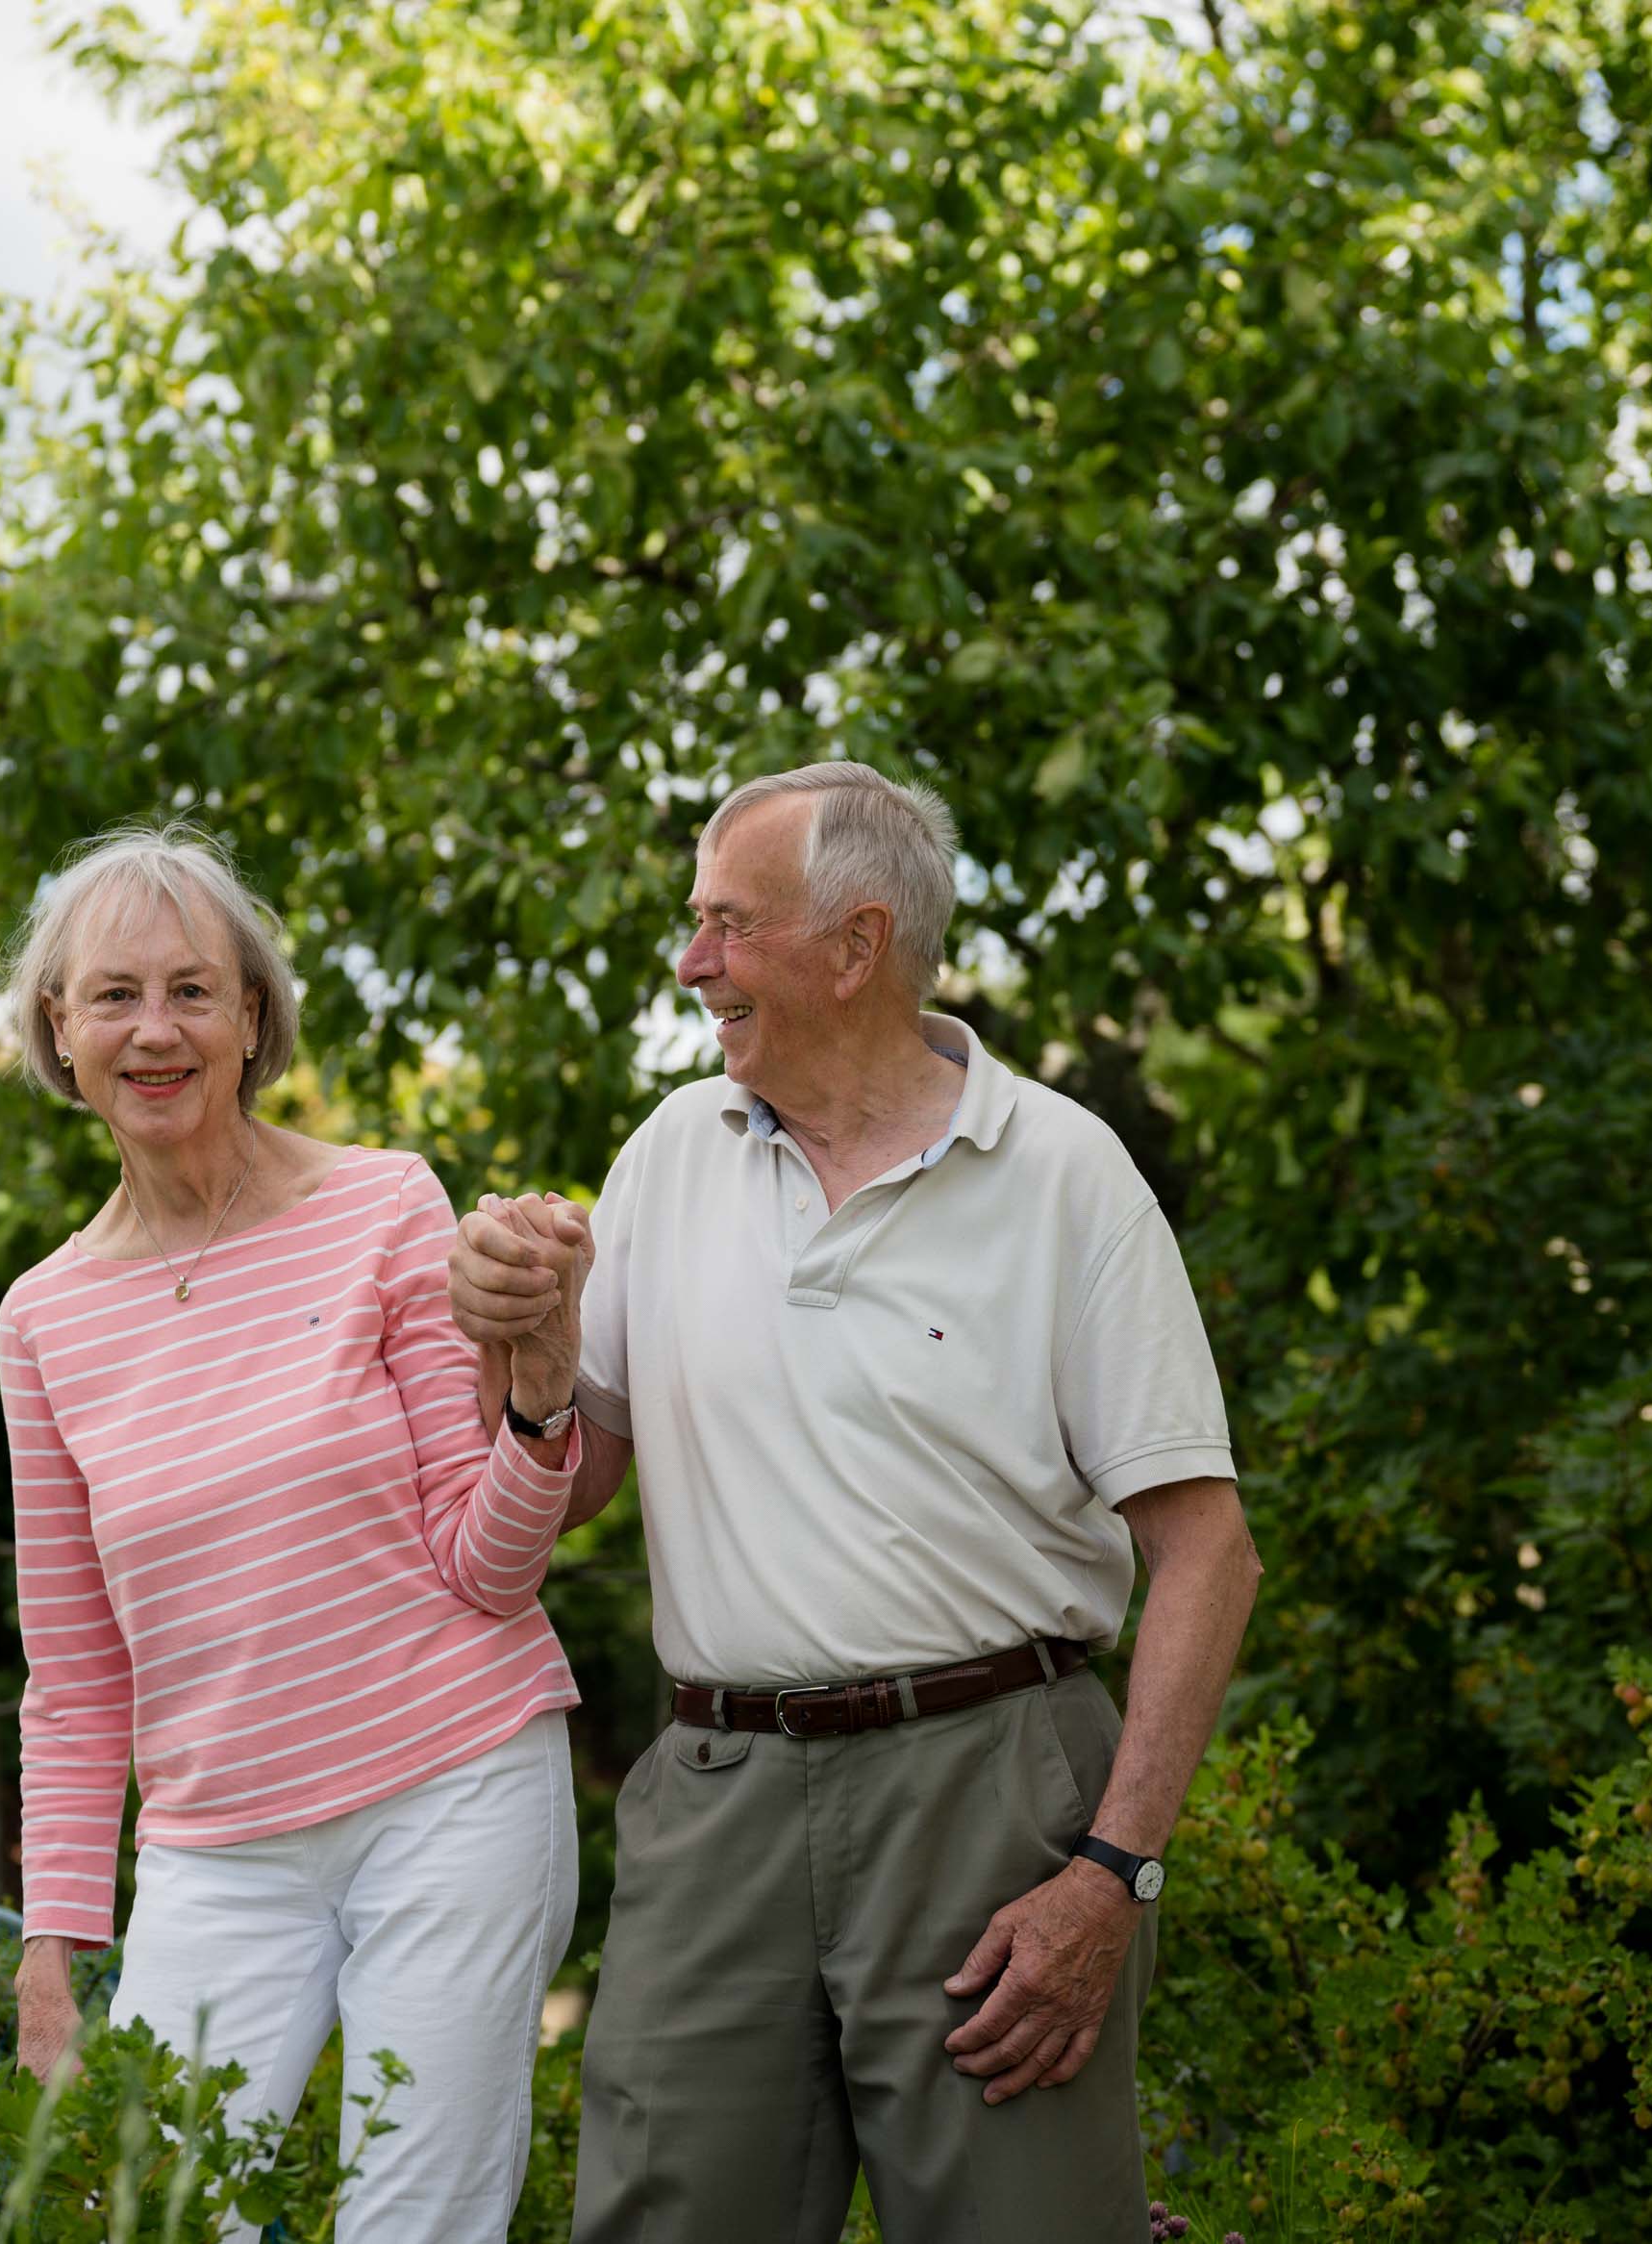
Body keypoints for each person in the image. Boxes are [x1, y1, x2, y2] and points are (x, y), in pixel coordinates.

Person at [450, 763, 1263, 2244]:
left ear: (856, 943)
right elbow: (573, 1491)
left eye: (727, 923)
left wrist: (1113, 1872)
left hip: (994, 1790)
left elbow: (1208, 1552)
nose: (692, 961)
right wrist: (530, 1362)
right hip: (719, 1793)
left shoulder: (1062, 1172)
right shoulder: (667, 1156)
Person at [0, 821, 595, 2241]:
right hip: (214, 1851)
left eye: (193, 990)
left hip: (453, 1790)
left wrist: (542, 1391)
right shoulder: (45, 1316)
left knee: (416, 2222)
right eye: (115, 995)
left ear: (254, 1018)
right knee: (159, 2217)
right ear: (60, 1029)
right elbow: (75, 1676)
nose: (156, 1029)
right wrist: (50, 1947)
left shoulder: (384, 1204)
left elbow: (490, 1568)